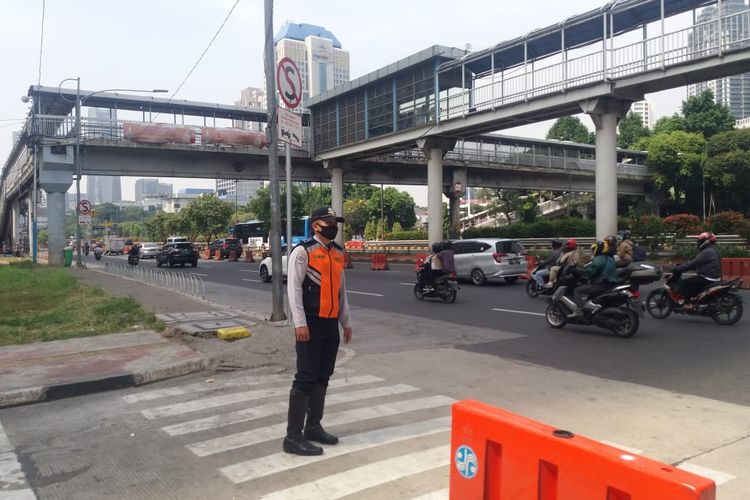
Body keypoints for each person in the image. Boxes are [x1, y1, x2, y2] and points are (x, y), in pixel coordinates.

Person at [284, 207, 352, 456]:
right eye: (329, 222)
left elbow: (341, 292)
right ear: (316, 225)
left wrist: (346, 321)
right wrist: (299, 323)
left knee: (323, 376)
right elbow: (294, 290)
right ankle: (292, 437)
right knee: (305, 377)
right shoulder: (303, 252)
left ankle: (313, 426)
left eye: (336, 222)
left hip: (330, 325)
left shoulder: (337, 253)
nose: (334, 226)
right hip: (310, 324)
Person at [570, 239, 620, 316]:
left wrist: (576, 270)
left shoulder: (598, 259)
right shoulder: (610, 258)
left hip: (602, 284)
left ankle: (579, 311)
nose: (592, 251)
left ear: (598, 249)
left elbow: (589, 273)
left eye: (593, 249)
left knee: (577, 290)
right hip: (611, 283)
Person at [672, 232, 721, 307]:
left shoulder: (706, 252)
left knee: (684, 283)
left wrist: (678, 268)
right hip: (714, 277)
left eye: (700, 241)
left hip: (707, 277)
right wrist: (686, 267)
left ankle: (688, 303)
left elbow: (693, 263)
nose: (699, 243)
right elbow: (697, 264)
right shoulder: (714, 250)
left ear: (706, 241)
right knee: (693, 283)